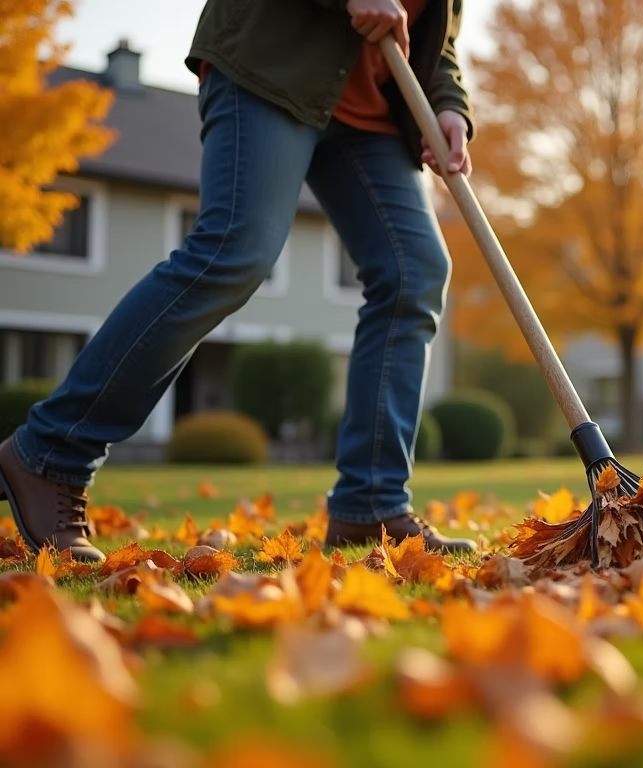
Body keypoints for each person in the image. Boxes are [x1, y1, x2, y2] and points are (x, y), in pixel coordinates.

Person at [0, 0, 478, 563]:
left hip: (374, 115)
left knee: (415, 272)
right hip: (270, 67)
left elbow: (439, 39)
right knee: (234, 251)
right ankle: (52, 453)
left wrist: (450, 107)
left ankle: (370, 505)